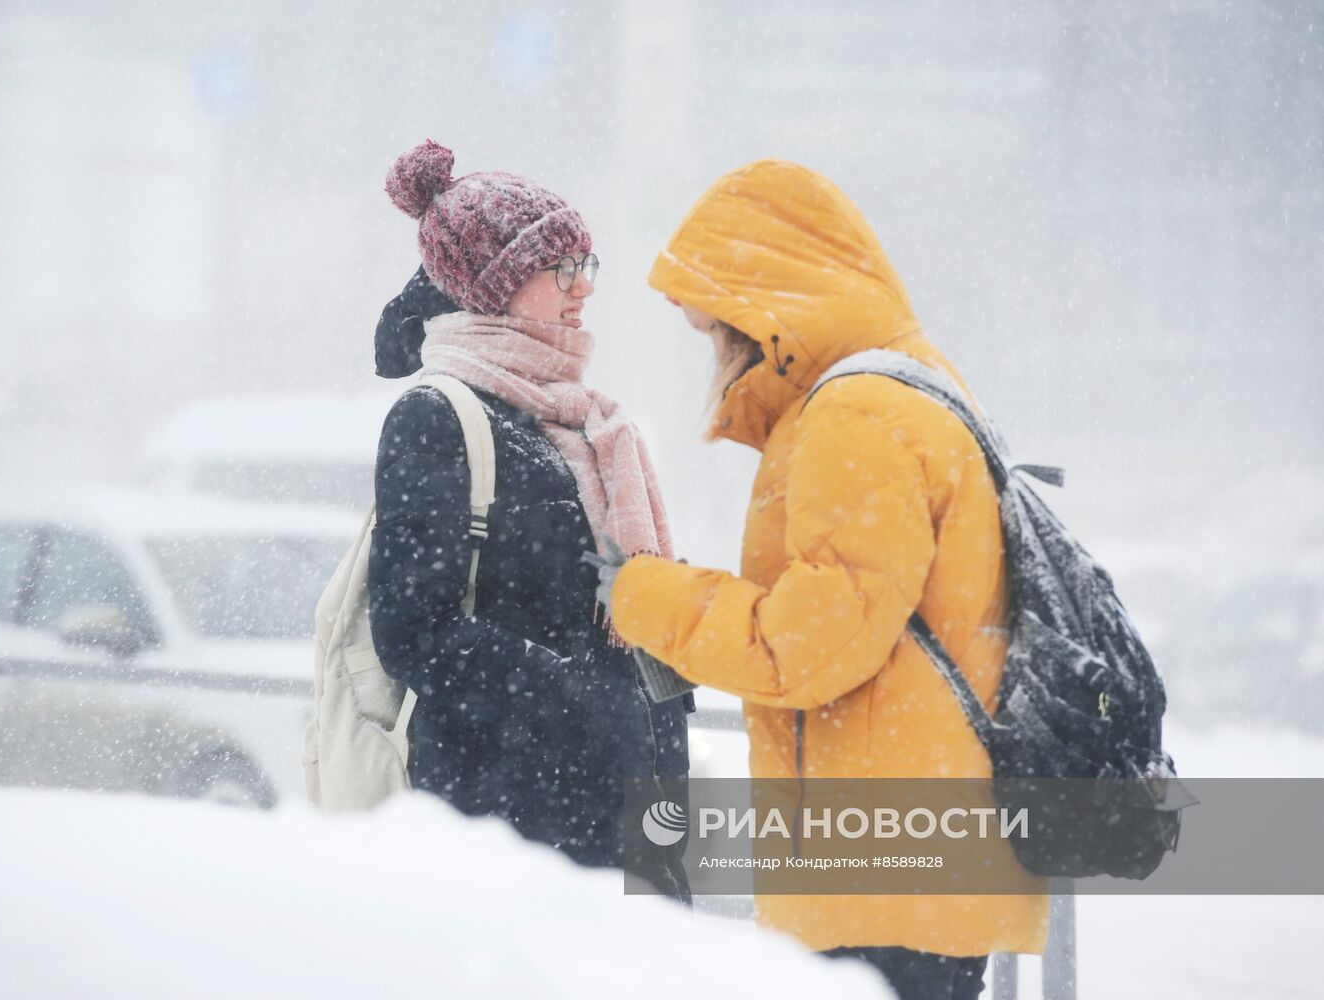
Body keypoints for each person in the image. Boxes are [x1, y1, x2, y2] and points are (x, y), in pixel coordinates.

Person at [599, 159, 1049, 999]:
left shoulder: (860, 415)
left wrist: (643, 593)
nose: (715, 354)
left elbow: (807, 650)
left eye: (714, 328)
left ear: (763, 305)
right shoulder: (907, 390)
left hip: (884, 875)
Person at [368, 140, 691, 888]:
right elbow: (413, 627)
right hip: (514, 822)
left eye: (588, 267)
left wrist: (661, 720)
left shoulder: (590, 425)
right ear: (495, 285)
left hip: (640, 810)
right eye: (562, 270)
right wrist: (579, 705)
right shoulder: (438, 418)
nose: (584, 290)